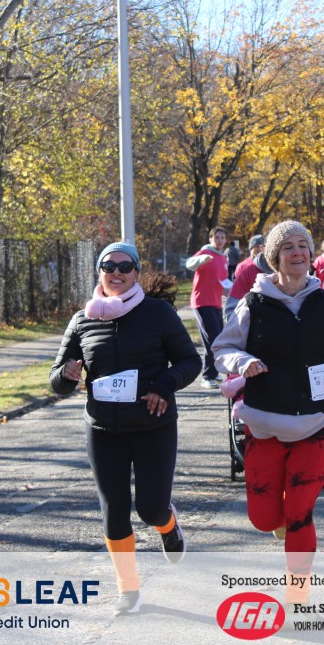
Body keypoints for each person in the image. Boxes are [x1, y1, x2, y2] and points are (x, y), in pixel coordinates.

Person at [212, 220, 324, 620]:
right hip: (265, 423)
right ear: (274, 258)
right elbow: (223, 348)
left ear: (311, 254)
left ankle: (297, 594)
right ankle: (281, 528)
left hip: (319, 422)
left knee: (300, 511)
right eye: (288, 247)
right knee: (263, 518)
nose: (297, 252)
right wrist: (243, 362)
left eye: (303, 245)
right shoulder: (253, 303)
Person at [50, 243, 200, 616]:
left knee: (150, 509)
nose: (116, 272)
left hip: (153, 425)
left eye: (124, 266)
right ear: (99, 272)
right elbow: (56, 379)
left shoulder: (157, 313)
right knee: (114, 511)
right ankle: (128, 590)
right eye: (108, 266)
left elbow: (190, 361)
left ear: (136, 272)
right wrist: (66, 375)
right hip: (103, 428)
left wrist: (163, 386)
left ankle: (167, 524)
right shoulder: (82, 320)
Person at [186, 226, 231, 388]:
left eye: (222, 237)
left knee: (218, 339)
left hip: (216, 303)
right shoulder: (205, 252)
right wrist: (201, 260)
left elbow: (223, 283)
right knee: (212, 339)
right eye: (216, 237)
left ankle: (214, 371)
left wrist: (235, 293)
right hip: (202, 302)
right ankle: (207, 377)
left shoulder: (223, 258)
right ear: (211, 239)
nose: (219, 240)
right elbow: (189, 264)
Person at [224, 234, 272, 322]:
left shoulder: (279, 267)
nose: (259, 249)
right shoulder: (244, 267)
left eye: (261, 246)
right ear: (251, 248)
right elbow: (236, 294)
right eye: (256, 246)